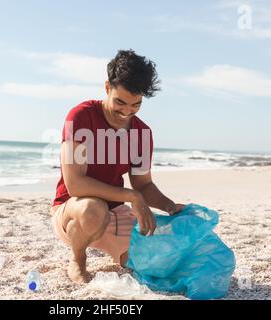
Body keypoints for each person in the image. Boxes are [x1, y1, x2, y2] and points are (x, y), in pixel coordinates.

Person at [50, 49, 186, 283]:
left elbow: (144, 185)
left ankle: (117, 250)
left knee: (151, 265)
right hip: (74, 212)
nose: (126, 112)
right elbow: (75, 184)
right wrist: (132, 196)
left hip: (115, 214)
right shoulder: (81, 117)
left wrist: (171, 206)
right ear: (107, 88)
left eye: (136, 104)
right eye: (120, 102)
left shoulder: (142, 133)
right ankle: (78, 258)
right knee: (93, 210)